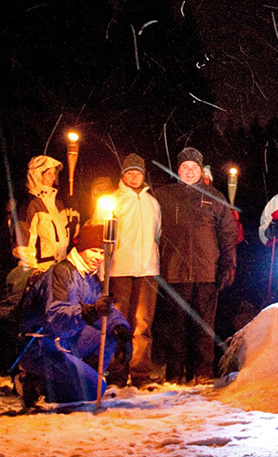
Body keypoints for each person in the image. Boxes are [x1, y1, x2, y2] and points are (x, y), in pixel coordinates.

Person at [16, 224, 131, 407]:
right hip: (41, 346)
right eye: (94, 251)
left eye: (103, 253)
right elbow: (54, 317)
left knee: (109, 334)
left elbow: (105, 312)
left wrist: (122, 330)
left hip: (65, 341)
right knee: (96, 390)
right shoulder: (61, 273)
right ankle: (37, 383)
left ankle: (75, 383)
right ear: (81, 249)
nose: (99, 258)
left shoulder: (88, 276)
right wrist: (90, 311)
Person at [154, 147, 238, 384]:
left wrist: (228, 265)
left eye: (194, 168)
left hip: (206, 271)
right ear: (178, 170)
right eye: (185, 168)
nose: (189, 172)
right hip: (174, 271)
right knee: (176, 326)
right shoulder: (163, 196)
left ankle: (202, 373)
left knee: (203, 326)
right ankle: (175, 374)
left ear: (201, 171)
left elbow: (228, 234)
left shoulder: (215, 197)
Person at [107, 153, 162, 387]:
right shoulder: (113, 200)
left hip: (148, 269)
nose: (133, 176)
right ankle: (117, 375)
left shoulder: (152, 203)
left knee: (143, 324)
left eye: (137, 172)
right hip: (120, 269)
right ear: (122, 175)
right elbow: (103, 237)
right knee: (120, 325)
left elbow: (157, 233)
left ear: (143, 175)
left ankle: (140, 375)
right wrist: (103, 271)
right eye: (129, 172)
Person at [13, 155, 79, 271]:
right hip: (40, 269)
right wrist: (31, 272)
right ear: (37, 175)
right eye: (49, 173)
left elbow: (71, 234)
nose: (53, 177)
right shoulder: (29, 204)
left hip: (60, 268)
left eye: (54, 173)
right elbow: (23, 243)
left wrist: (74, 212)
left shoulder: (58, 203)